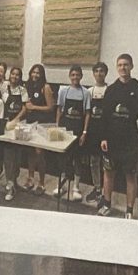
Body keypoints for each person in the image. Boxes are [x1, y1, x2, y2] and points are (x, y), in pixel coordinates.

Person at [98, 53, 138, 219]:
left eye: (126, 65)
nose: (123, 68)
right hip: (111, 140)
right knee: (108, 173)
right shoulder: (111, 90)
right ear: (116, 67)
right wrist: (103, 138)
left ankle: (129, 211)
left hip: (130, 141)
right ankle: (106, 204)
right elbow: (104, 116)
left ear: (131, 66)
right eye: (120, 65)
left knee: (130, 175)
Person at [52, 65, 91, 201]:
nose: (75, 77)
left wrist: (84, 132)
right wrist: (57, 127)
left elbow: (87, 114)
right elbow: (59, 110)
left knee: (77, 160)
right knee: (63, 158)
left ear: (81, 76)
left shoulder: (86, 93)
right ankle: (62, 185)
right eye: (73, 75)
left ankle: (76, 187)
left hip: (78, 131)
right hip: (65, 130)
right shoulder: (64, 91)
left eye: (77, 75)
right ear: (70, 76)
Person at [22, 64, 55, 193]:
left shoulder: (45, 87)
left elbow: (50, 107)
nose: (35, 75)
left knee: (39, 153)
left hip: (42, 124)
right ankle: (30, 178)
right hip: (30, 123)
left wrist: (34, 107)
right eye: (33, 72)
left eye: (38, 73)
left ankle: (41, 183)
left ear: (42, 75)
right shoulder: (27, 86)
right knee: (30, 153)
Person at [81, 61, 110, 206]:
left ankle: (106, 192)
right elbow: (86, 112)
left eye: (102, 71)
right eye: (96, 71)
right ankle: (97, 188)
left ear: (106, 73)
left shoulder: (110, 90)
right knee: (94, 161)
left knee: (106, 163)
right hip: (93, 130)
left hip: (105, 131)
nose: (99, 74)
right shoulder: (89, 91)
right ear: (93, 74)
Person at [2, 66, 29, 202]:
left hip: (19, 125)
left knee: (18, 156)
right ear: (9, 75)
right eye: (13, 74)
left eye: (18, 75)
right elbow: (1, 105)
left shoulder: (22, 90)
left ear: (20, 77)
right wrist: (6, 121)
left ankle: (15, 180)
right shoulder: (3, 88)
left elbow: (25, 108)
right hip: (6, 125)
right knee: (8, 156)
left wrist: (17, 119)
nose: (15, 76)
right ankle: (9, 185)